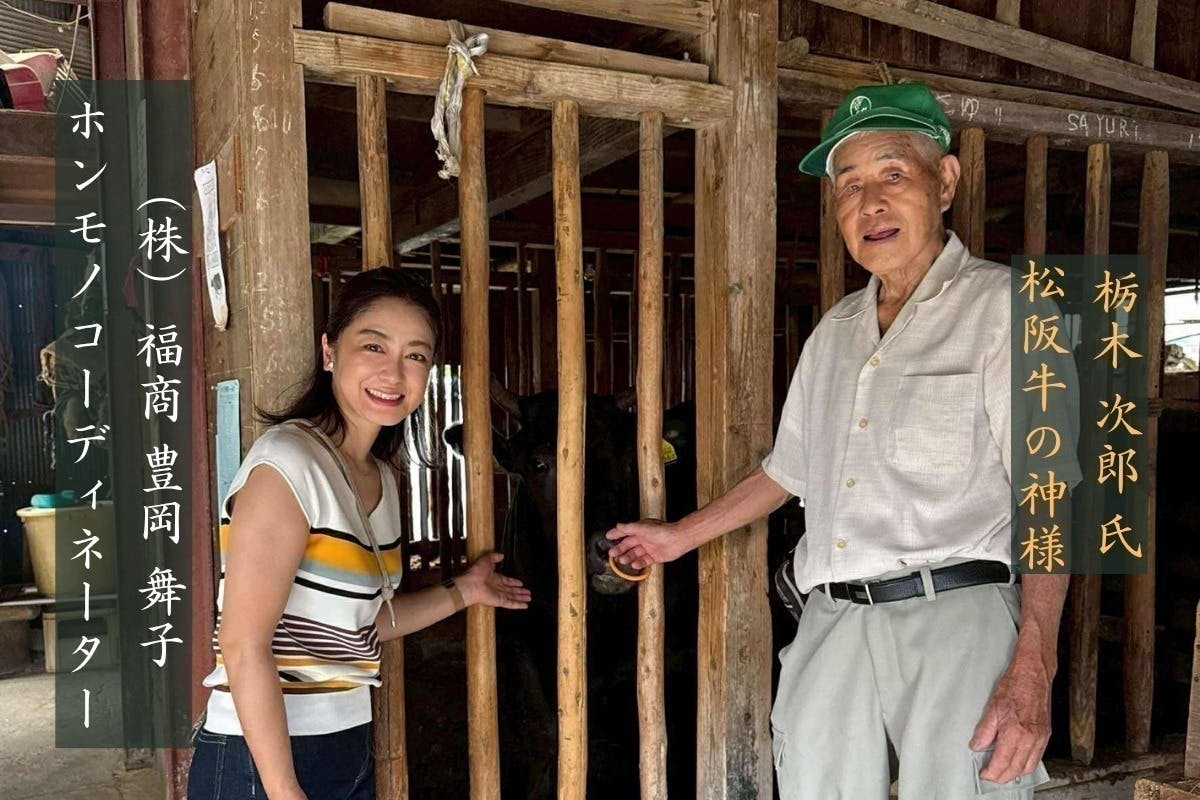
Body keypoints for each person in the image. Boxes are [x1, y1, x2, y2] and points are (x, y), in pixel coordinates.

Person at [608, 83, 1081, 799]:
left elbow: (1050, 494)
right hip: (832, 619)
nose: (871, 204)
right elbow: (786, 473)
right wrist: (678, 537)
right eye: (850, 185)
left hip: (956, 616)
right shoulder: (833, 334)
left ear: (945, 182)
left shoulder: (1010, 308)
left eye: (893, 173)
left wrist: (1034, 663)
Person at [188, 268, 530, 800]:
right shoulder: (288, 464)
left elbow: (361, 625)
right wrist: (284, 789)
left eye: (415, 355)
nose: (394, 373)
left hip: (344, 742)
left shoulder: (379, 479)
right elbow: (242, 642)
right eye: (374, 346)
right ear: (330, 351)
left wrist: (465, 591)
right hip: (260, 757)